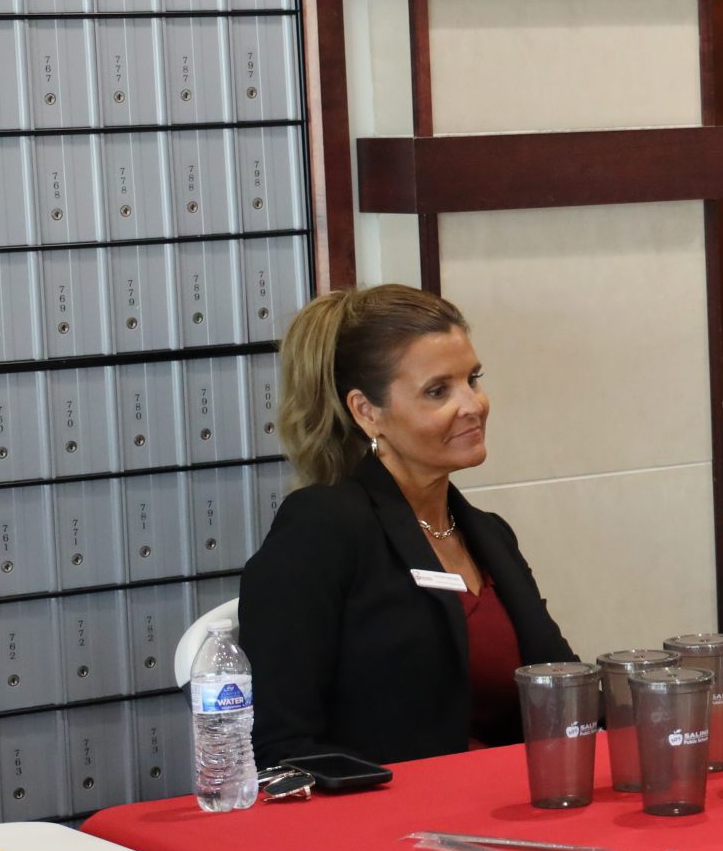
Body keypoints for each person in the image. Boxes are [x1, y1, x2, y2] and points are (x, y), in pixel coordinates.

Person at [241, 284, 575, 764]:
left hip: (518, 804)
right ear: (367, 411)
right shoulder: (323, 527)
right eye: (438, 391)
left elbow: (564, 689)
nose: (473, 405)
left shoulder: (489, 534)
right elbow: (280, 743)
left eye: (473, 379)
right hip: (391, 817)